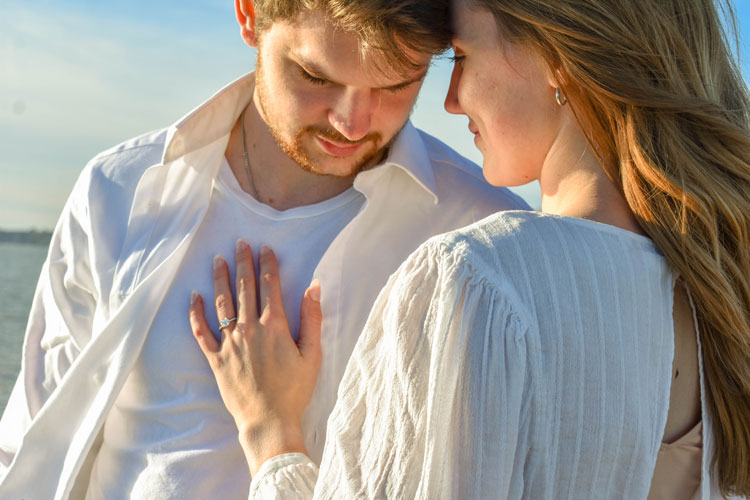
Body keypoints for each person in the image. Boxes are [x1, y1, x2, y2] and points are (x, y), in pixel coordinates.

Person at [189, 0, 750, 498]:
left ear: (557, 58)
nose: (452, 101)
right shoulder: (714, 293)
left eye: (461, 56)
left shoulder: (473, 279)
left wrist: (274, 439)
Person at [0, 0, 528, 497]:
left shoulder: (486, 233)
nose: (352, 122)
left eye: (396, 86)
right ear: (250, 14)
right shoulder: (119, 190)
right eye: (317, 77)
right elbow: (30, 445)